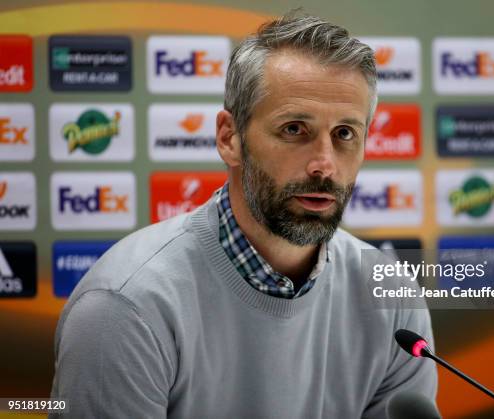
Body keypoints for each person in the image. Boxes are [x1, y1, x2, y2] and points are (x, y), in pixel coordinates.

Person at [50, 12, 437, 418]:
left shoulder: (392, 301)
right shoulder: (126, 307)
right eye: (294, 129)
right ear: (229, 138)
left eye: (344, 134)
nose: (324, 164)